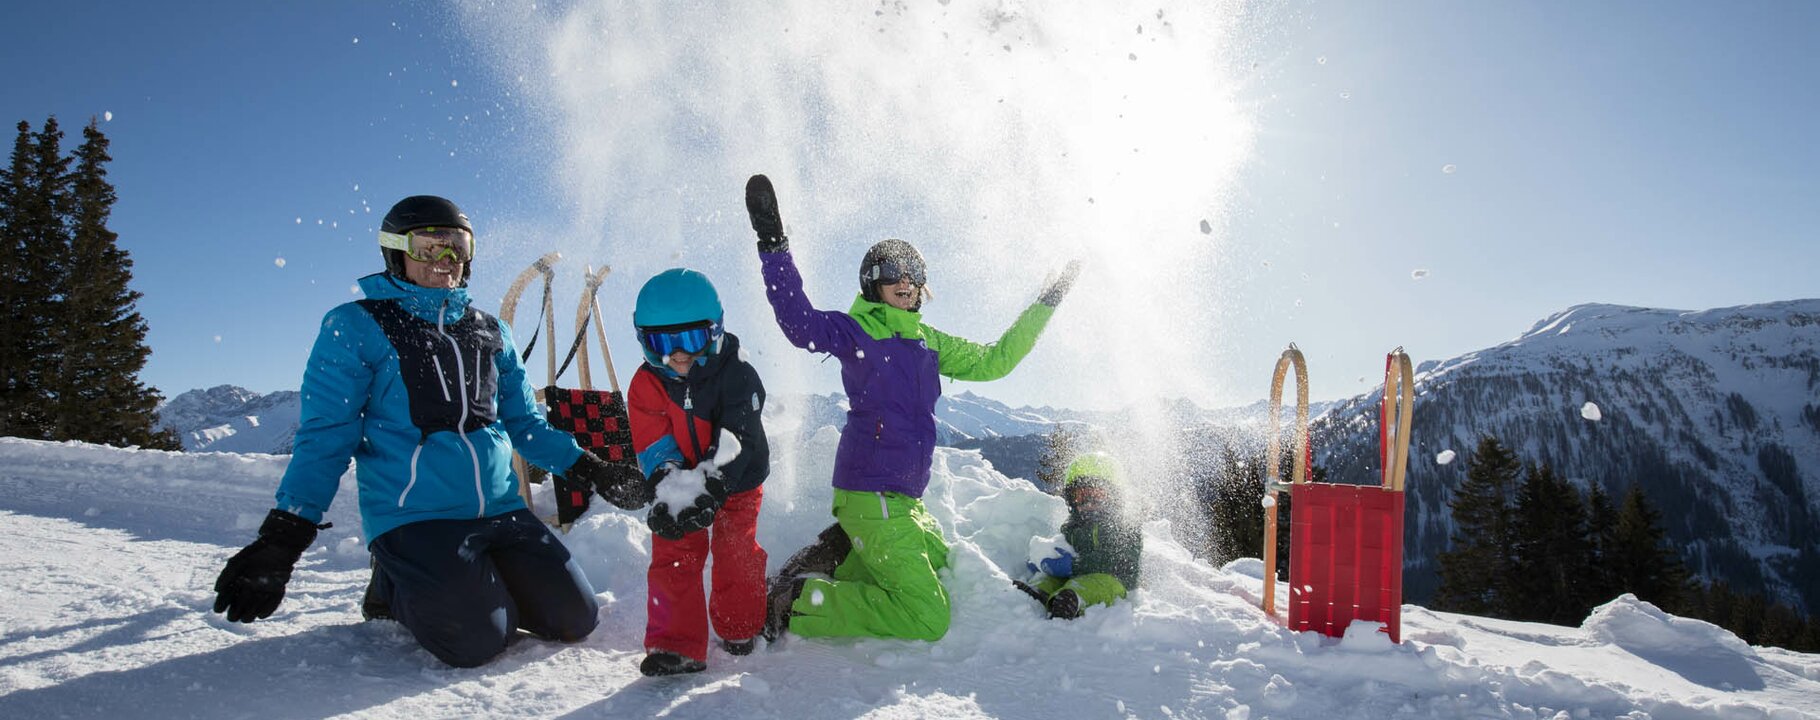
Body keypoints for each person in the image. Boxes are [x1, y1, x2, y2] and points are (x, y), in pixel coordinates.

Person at [210, 195, 650, 668]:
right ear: (396, 252)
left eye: (456, 247)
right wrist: (284, 538)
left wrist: (594, 470)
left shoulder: (491, 331)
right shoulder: (358, 325)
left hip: (501, 510)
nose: (445, 261)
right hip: (415, 516)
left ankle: (470, 582)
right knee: (477, 643)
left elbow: (524, 424)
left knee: (575, 619)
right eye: (428, 247)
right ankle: (392, 586)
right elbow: (326, 436)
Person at [742, 174, 1081, 642]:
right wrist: (773, 244)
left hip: (905, 500)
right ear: (870, 282)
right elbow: (798, 322)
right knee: (927, 616)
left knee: (948, 567)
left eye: (914, 272)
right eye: (891, 271)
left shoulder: (928, 341)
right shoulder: (856, 330)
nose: (905, 280)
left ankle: (843, 555)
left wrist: (1047, 301)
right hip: (870, 492)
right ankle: (796, 604)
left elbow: (996, 361)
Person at [624, 268, 771, 676]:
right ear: (644, 341)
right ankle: (675, 645)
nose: (678, 355)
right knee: (673, 548)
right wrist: (668, 484)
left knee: (735, 550)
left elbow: (736, 437)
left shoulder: (737, 374)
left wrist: (711, 484)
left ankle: (739, 627)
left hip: (737, 480)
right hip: (683, 479)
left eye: (689, 339)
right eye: (661, 343)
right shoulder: (646, 383)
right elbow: (653, 443)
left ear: (715, 331)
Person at [1015, 452, 1144, 619]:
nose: (1089, 503)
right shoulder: (1072, 526)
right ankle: (1037, 592)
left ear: (1115, 498)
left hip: (1114, 582)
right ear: (1071, 499)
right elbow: (1061, 547)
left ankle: (1071, 601)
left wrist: (1074, 565)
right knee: (1047, 578)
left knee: (1088, 586)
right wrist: (1042, 559)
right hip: (1076, 575)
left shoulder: (1125, 527)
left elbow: (1118, 562)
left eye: (1098, 496)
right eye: (1081, 496)